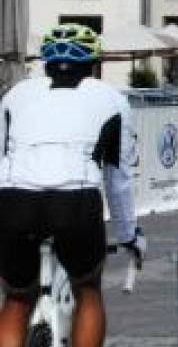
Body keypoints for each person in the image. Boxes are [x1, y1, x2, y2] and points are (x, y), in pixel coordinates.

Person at [0, 24, 144, 347]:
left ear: (46, 63)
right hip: (75, 198)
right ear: (93, 63)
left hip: (14, 198)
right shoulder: (112, 99)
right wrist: (128, 235)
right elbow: (118, 179)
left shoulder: (15, 95)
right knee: (88, 289)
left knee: (17, 298)